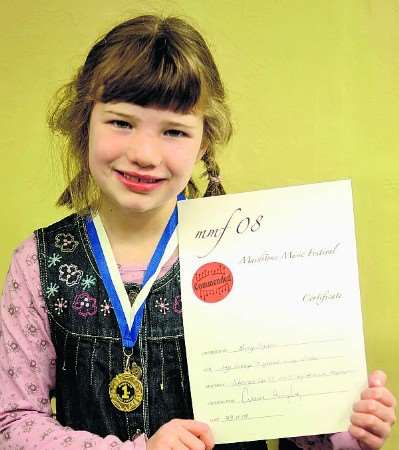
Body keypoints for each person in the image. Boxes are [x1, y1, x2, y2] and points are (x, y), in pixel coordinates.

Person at [0, 14, 396, 450]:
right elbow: (12, 422)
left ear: (204, 141)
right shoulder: (39, 263)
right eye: (121, 122)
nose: (144, 154)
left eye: (174, 131)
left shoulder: (253, 253)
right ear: (84, 120)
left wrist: (345, 428)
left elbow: (297, 421)